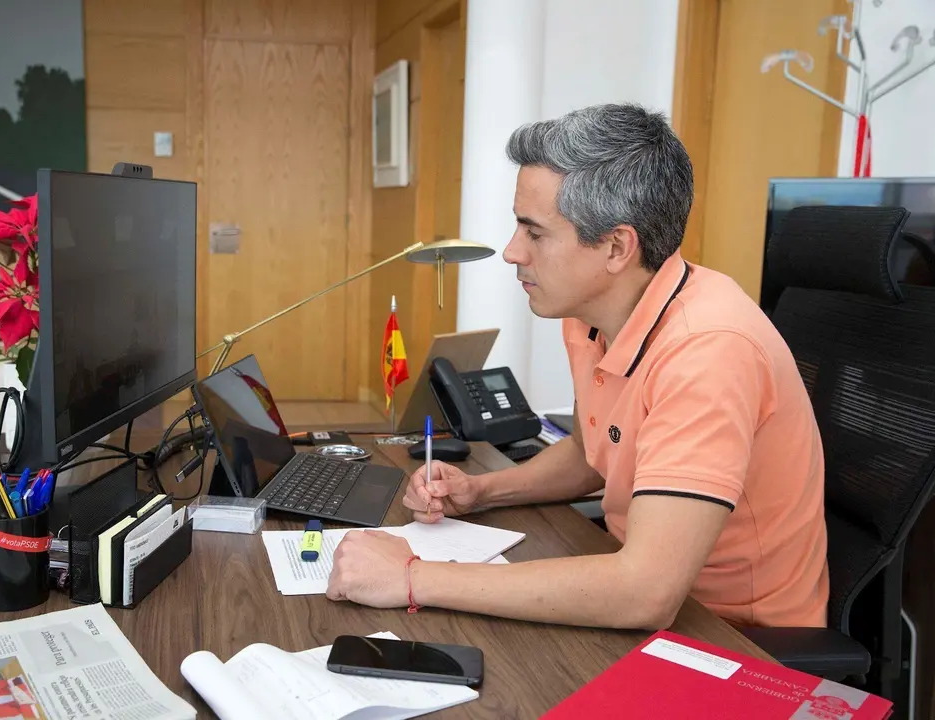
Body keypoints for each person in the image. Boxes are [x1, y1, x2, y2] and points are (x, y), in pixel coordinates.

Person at [326, 103, 829, 630]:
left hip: (736, 635)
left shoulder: (708, 351)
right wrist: (483, 492)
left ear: (616, 246)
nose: (511, 252)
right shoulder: (594, 314)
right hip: (647, 593)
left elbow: (645, 594)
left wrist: (411, 576)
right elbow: (595, 452)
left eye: (534, 232)